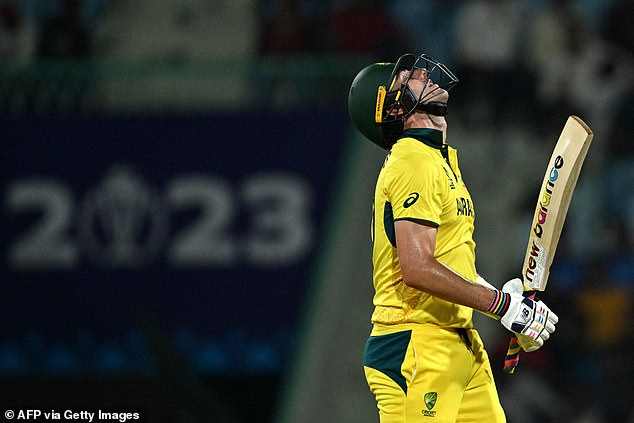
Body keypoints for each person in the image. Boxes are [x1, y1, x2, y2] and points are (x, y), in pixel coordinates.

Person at [347, 53, 559, 422]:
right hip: (416, 343)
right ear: (393, 109)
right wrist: (501, 306)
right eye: (407, 78)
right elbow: (417, 269)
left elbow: (446, 263)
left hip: (459, 343)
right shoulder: (413, 160)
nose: (423, 74)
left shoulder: (438, 161)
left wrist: (509, 308)